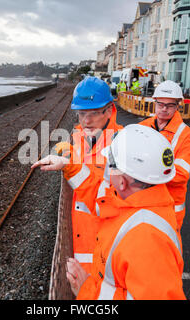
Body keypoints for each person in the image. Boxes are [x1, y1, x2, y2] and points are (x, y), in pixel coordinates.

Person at [32, 125, 185, 300]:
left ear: (122, 182)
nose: (107, 170)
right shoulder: (135, 201)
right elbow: (100, 199)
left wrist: (88, 290)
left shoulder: (146, 240)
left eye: (110, 166)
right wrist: (69, 165)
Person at [55, 76, 123, 274]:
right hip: (82, 243)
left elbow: (116, 202)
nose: (86, 120)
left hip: (107, 251)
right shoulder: (80, 139)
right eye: (81, 113)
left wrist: (72, 167)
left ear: (109, 110)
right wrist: (69, 155)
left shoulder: (122, 145)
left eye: (94, 113)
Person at [139, 80, 190, 234]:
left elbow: (182, 174)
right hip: (140, 203)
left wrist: (143, 172)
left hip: (168, 209)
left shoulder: (186, 136)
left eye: (170, 105)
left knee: (165, 253)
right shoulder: (142, 127)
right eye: (160, 104)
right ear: (155, 102)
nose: (164, 109)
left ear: (177, 105)